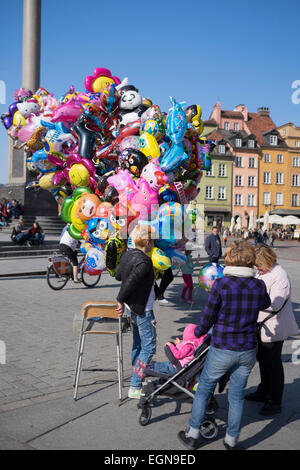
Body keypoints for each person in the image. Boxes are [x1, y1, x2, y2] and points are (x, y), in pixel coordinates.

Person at [178, 240, 271, 450]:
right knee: (237, 396)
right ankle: (231, 440)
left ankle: (192, 434)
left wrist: (198, 332)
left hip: (223, 347)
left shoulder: (222, 284)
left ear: (229, 260)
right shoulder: (258, 284)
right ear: (249, 261)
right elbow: (266, 303)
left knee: (203, 390)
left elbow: (208, 316)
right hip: (247, 348)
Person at [245, 244, 299, 416]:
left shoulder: (279, 275)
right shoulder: (263, 272)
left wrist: (251, 300)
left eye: (257, 264)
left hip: (274, 326)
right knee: (262, 359)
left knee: (273, 364)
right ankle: (263, 391)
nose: (255, 268)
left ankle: (275, 401)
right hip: (261, 325)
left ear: (266, 262)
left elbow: (275, 304)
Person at [115, 224, 156, 400]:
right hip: (143, 309)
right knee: (149, 346)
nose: (154, 243)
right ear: (146, 242)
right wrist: (120, 300)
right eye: (152, 240)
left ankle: (136, 375)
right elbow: (130, 281)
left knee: (138, 344)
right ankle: (135, 384)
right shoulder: (145, 261)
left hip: (135, 308)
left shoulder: (128, 255)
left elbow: (119, 276)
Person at [133, 323, 206, 377]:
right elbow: (184, 352)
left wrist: (171, 346)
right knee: (163, 364)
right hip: (179, 364)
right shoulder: (193, 343)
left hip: (179, 367)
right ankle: (147, 366)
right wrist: (178, 344)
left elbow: (178, 355)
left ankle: (145, 371)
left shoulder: (189, 346)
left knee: (162, 368)